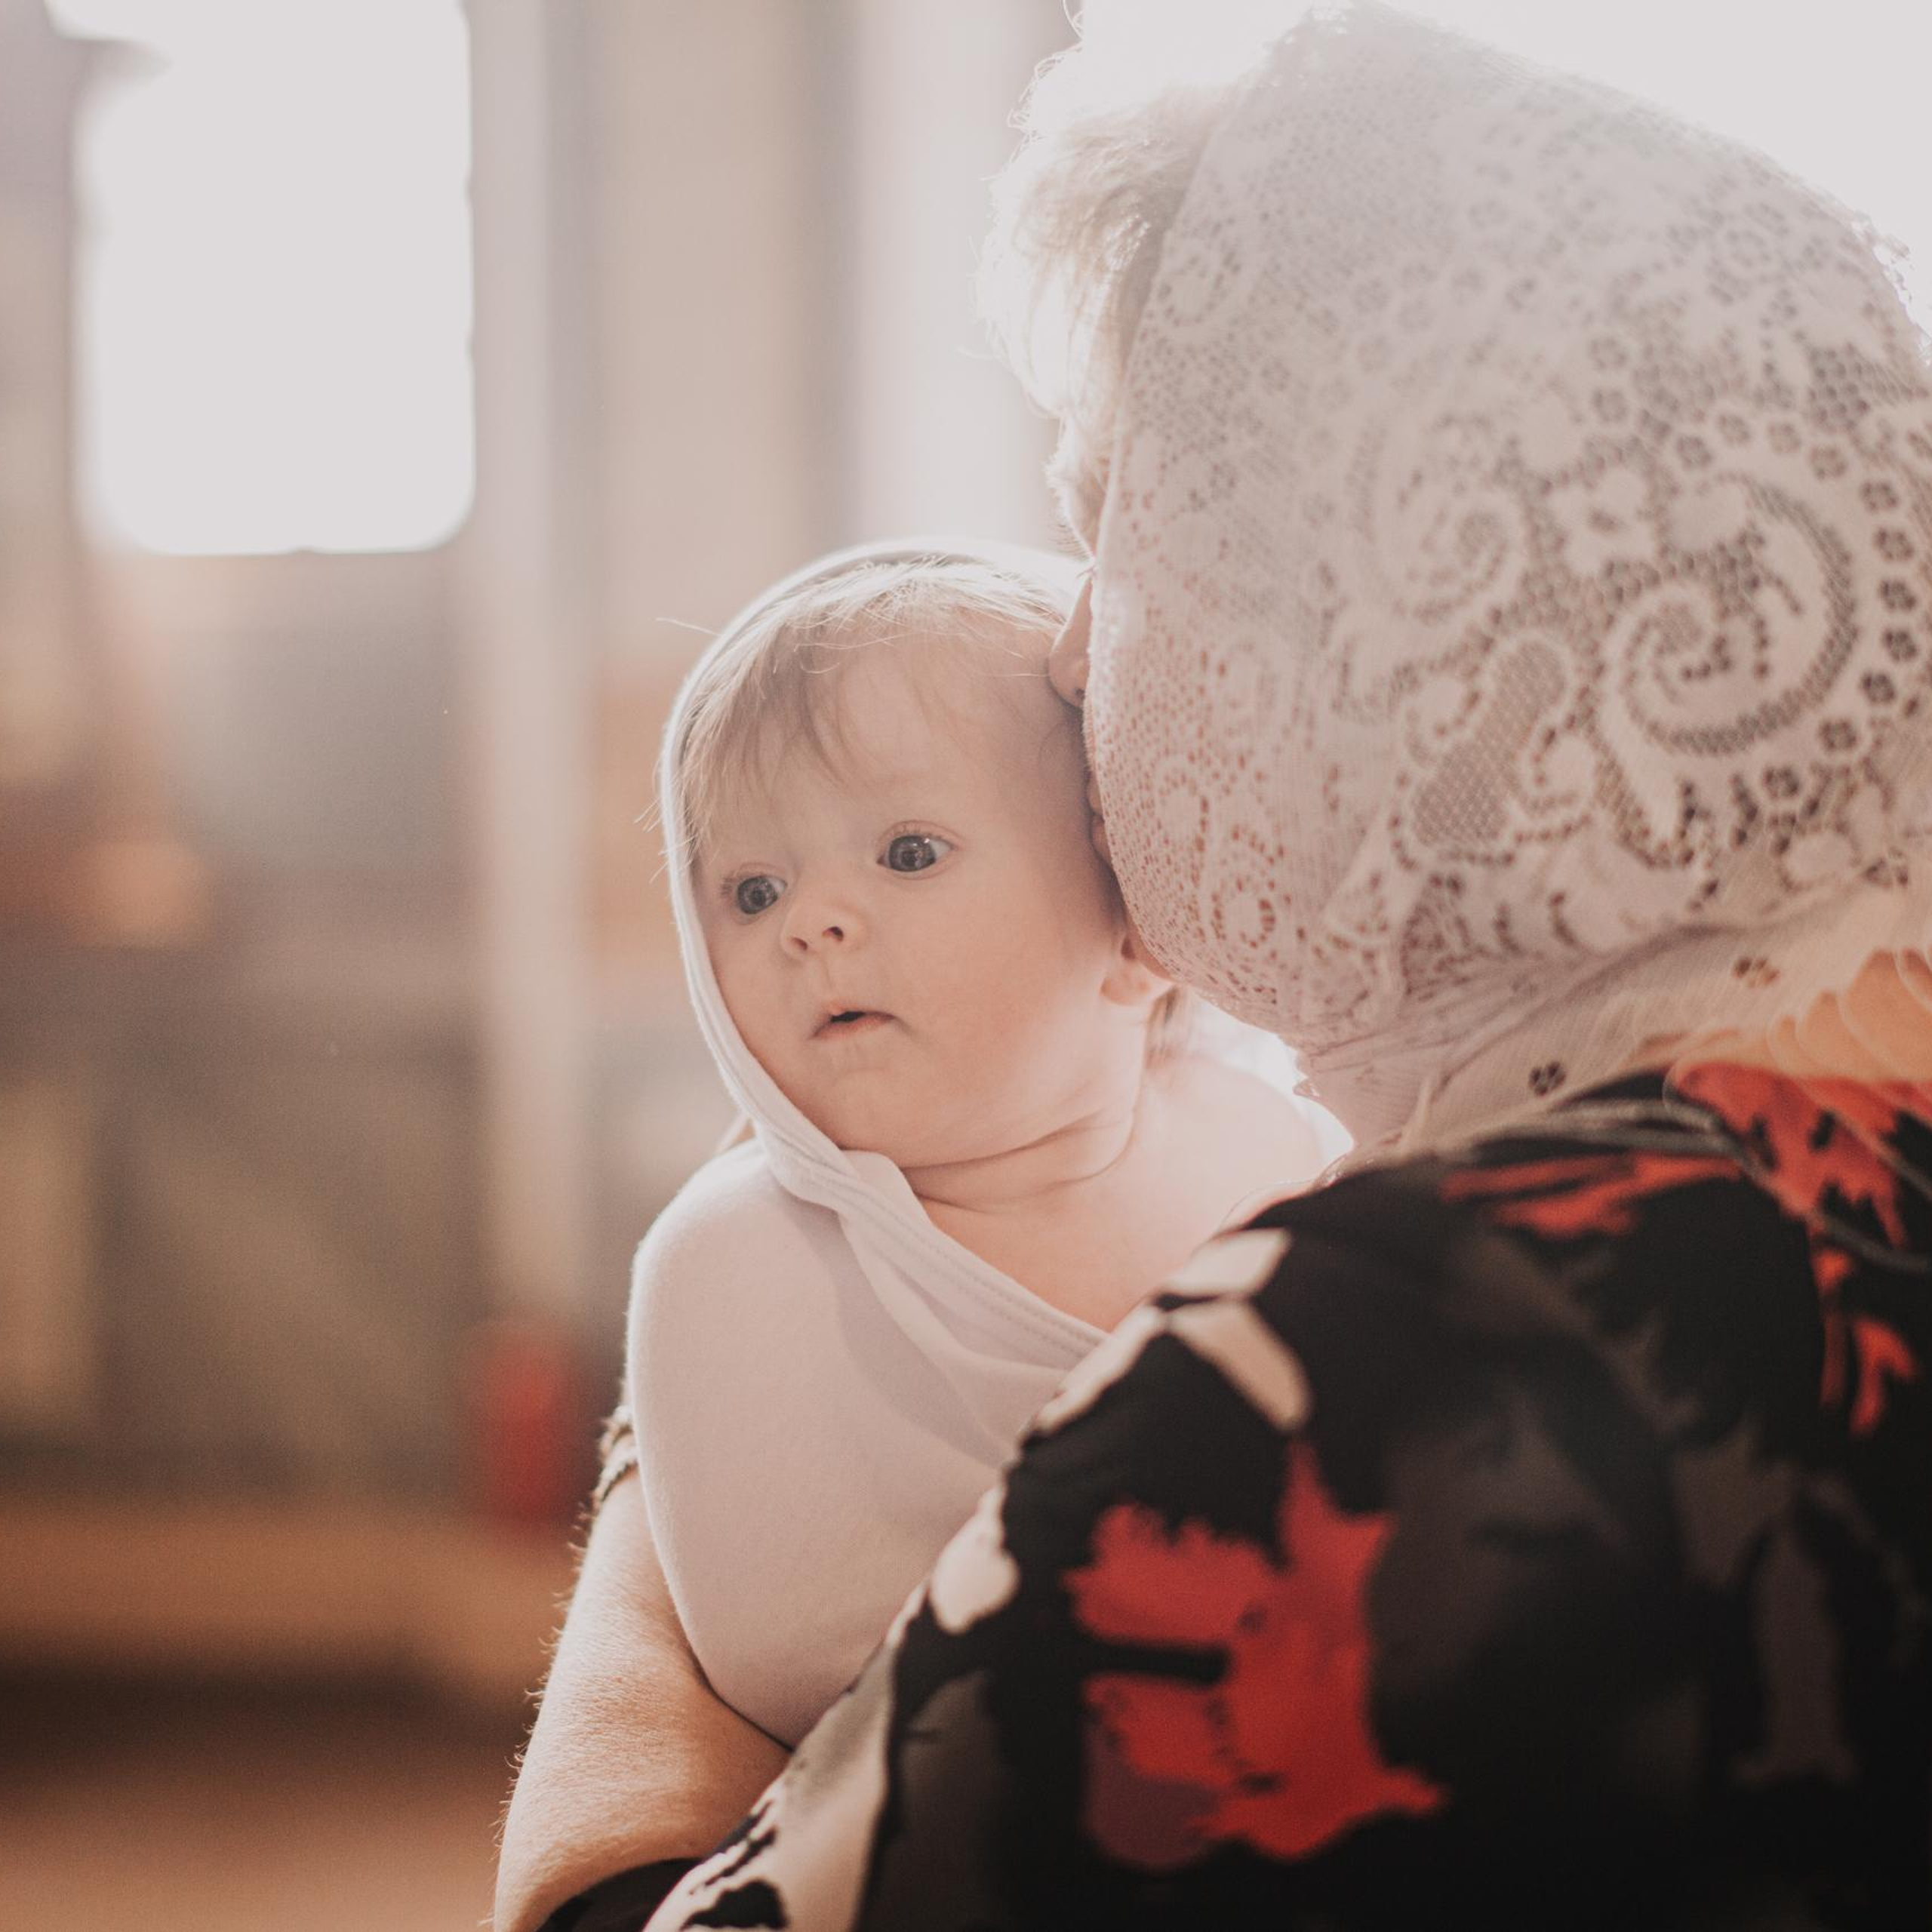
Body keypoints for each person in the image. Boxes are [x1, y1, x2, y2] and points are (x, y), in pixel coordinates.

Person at [499, 5, 1932, 1927]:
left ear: (1382, 612)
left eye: (1124, 519)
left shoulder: (1353, 1352)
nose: (1083, 651)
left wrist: (652, 1535)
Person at [629, 543, 1318, 1749]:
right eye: (751, 891)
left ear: (1136, 918)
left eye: (907, 853)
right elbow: (793, 1662)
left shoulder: (1285, 1143)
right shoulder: (733, 1265)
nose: (813, 924)